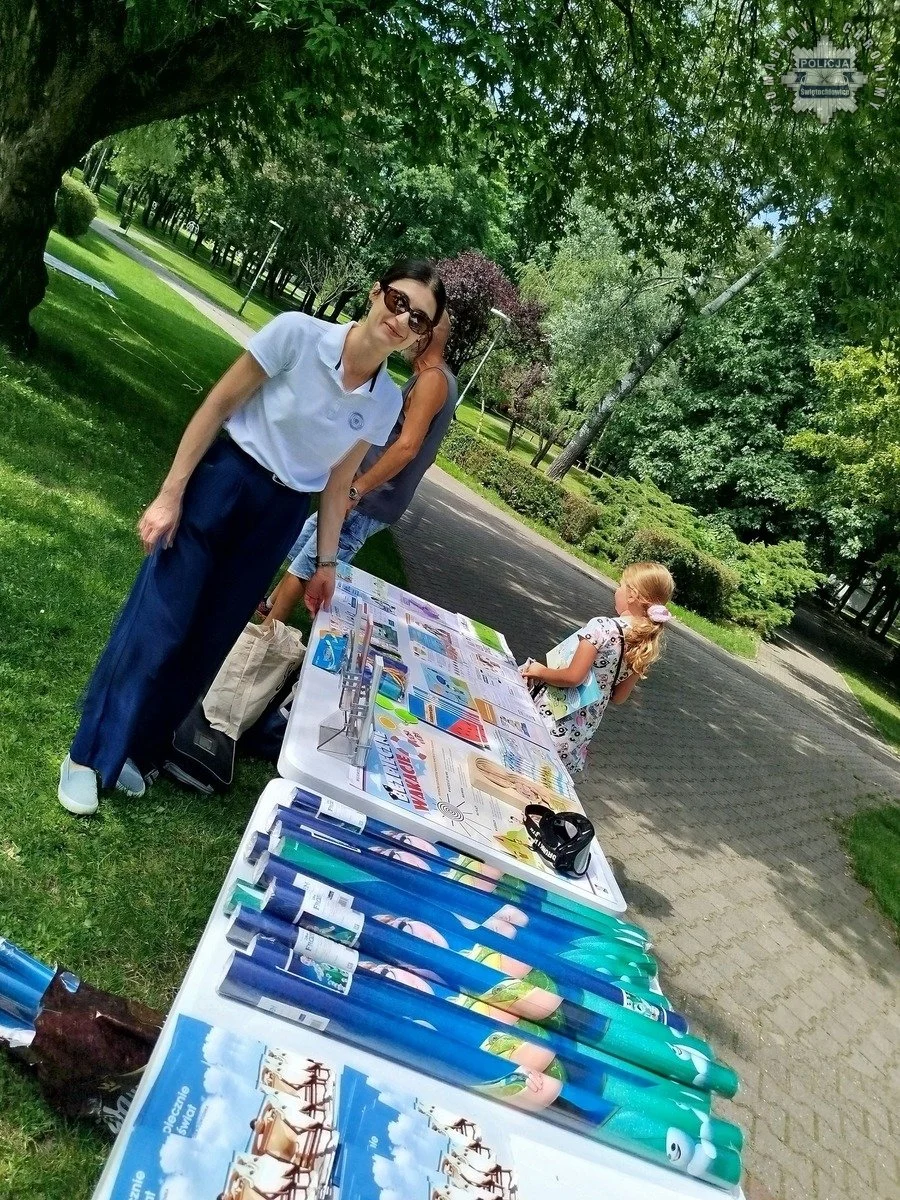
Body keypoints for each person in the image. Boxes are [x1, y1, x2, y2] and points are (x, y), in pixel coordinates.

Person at [58, 259, 446, 815]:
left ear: (421, 336)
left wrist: (326, 563)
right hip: (226, 481)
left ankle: (138, 750)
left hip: (280, 514)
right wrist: (171, 493)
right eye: (398, 300)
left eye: (419, 318)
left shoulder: (385, 402)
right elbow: (219, 403)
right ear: (375, 293)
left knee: (209, 639)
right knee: (159, 622)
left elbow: (338, 483)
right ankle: (87, 755)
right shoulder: (297, 334)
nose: (403, 318)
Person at [261, 309, 457, 624]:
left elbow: (408, 447)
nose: (405, 328)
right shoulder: (438, 378)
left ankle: (268, 634)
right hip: (369, 492)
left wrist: (356, 490)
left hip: (369, 497)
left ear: (427, 334)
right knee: (306, 544)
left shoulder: (433, 380)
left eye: (416, 324)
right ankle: (268, 605)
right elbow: (426, 453)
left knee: (313, 563)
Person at [520, 561, 675, 775]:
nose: (617, 590)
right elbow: (619, 697)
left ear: (632, 595)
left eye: (620, 585)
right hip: (577, 737)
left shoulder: (602, 626)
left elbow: (573, 677)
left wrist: (540, 672)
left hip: (549, 723)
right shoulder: (643, 644)